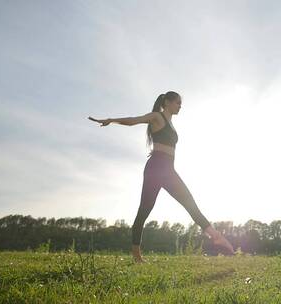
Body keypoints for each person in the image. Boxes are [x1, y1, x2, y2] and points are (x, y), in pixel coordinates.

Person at [88, 91, 235, 262]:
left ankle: (215, 235)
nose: (180, 106)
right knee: (145, 210)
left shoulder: (171, 124)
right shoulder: (157, 117)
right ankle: (136, 254)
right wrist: (111, 120)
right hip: (156, 168)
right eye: (177, 102)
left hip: (168, 170)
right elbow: (134, 120)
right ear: (167, 102)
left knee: (189, 201)